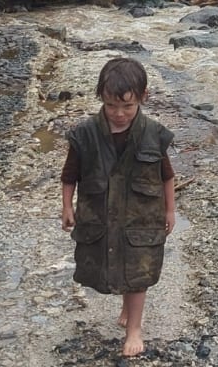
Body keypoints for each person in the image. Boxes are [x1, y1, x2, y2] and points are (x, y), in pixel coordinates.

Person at [61, 56, 176, 357]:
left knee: (138, 271)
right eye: (112, 106)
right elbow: (69, 175)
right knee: (110, 260)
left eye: (128, 106)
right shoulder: (84, 134)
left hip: (143, 218)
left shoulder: (155, 133)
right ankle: (126, 307)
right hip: (100, 215)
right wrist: (66, 207)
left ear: (143, 98)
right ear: (101, 98)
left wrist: (170, 210)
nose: (120, 114)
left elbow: (167, 176)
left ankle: (134, 328)